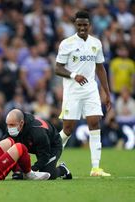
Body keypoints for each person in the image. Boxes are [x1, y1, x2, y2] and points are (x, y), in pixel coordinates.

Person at [55, 10, 112, 177]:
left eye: (85, 25)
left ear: (90, 25)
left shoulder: (96, 43)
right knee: (68, 129)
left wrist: (106, 93)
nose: (82, 28)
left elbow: (100, 68)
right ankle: (51, 157)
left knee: (94, 123)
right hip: (72, 91)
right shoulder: (67, 43)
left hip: (91, 90)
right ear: (75, 25)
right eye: (79, 25)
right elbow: (58, 68)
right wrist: (74, 75)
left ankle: (95, 168)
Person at [5, 109, 72, 180]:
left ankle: (63, 169)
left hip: (52, 146)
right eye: (8, 125)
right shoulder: (14, 125)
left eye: (12, 125)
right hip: (33, 145)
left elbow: (44, 156)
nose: (9, 128)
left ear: (21, 123)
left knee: (48, 173)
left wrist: (29, 171)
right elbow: (5, 147)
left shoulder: (38, 133)